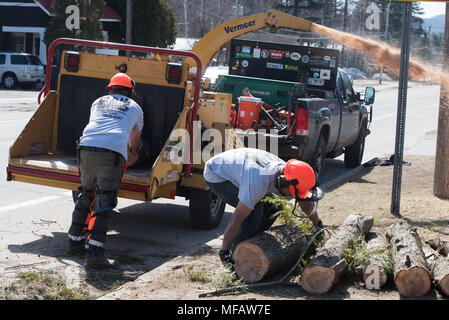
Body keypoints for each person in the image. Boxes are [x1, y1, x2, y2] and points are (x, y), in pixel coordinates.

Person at [67, 73, 144, 269]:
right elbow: (134, 138)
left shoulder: (97, 102)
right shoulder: (135, 107)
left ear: (110, 89)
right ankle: (95, 255)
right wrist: (134, 153)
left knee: (86, 194)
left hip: (85, 149)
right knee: (105, 201)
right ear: (130, 91)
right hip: (111, 153)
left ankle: (74, 244)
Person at [203, 148, 323, 265]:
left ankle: (254, 241)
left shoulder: (288, 172)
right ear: (282, 181)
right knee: (253, 212)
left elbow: (304, 201)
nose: (293, 195)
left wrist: (318, 225)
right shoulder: (257, 182)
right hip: (217, 175)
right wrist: (223, 251)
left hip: (243, 169)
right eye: (292, 192)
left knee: (276, 205)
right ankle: (234, 255)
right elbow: (237, 218)